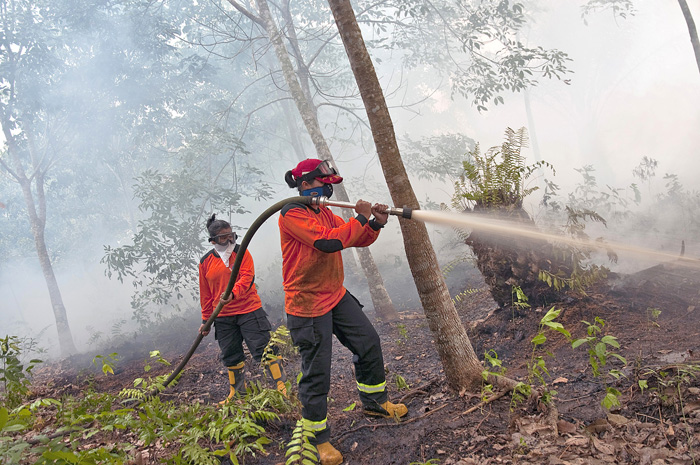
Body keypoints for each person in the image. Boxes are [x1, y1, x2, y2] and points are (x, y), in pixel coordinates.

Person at [279, 159, 408, 465]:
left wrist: (374, 222)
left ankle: (375, 403)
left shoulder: (323, 211)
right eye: (325, 183)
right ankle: (316, 439)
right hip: (307, 303)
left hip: (334, 294)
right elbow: (328, 242)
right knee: (317, 371)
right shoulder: (292, 213)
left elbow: (353, 237)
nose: (329, 188)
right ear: (307, 185)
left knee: (368, 343)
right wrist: (360, 217)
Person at [198, 214, 286, 403]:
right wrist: (206, 320)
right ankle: (237, 393)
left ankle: (281, 387)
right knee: (231, 354)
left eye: (231, 235)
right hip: (222, 317)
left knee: (264, 349)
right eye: (223, 237)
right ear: (213, 241)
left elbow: (247, 277)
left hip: (249, 310)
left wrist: (233, 293)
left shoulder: (242, 252)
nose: (229, 240)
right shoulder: (205, 262)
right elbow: (205, 294)